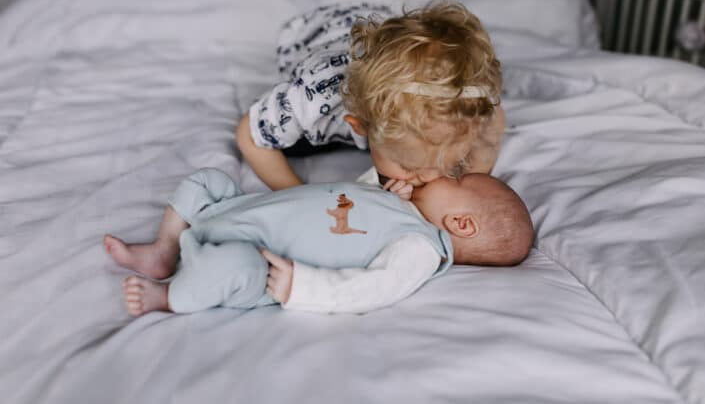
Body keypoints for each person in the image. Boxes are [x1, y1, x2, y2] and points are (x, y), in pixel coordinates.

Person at [104, 168, 533, 317]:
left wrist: (301, 286)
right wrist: (382, 187)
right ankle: (164, 250)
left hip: (262, 259)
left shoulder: (420, 248)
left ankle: (169, 296)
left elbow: (373, 288)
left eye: (454, 180)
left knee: (233, 268)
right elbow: (348, 197)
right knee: (208, 182)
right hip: (246, 212)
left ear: (462, 224)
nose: (441, 175)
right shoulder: (401, 205)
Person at [235, 0, 505, 199]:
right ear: (359, 124)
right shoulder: (313, 98)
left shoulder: (472, 109)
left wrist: (468, 181)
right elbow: (250, 135)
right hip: (312, 33)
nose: (430, 178)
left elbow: (493, 123)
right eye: (409, 167)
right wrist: (299, 194)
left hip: (380, 22)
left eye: (447, 164)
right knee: (289, 140)